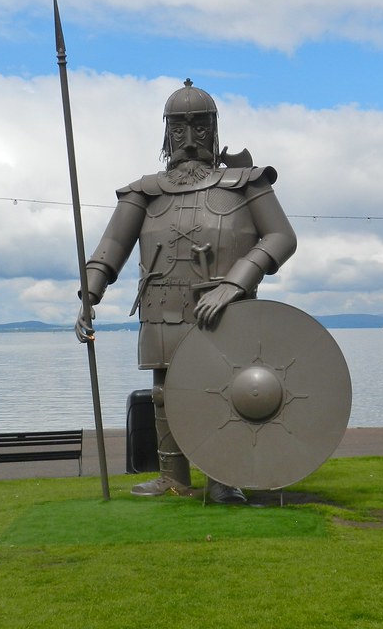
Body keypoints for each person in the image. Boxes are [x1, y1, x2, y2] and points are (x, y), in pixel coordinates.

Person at [75, 79, 297, 502]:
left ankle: (223, 478)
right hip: (162, 308)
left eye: (199, 128)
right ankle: (172, 475)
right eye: (179, 130)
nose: (190, 140)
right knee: (164, 393)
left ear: (214, 130)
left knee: (227, 391)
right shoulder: (143, 192)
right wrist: (89, 296)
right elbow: (111, 249)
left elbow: (281, 237)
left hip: (227, 310)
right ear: (166, 134)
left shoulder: (247, 182)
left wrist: (235, 283)